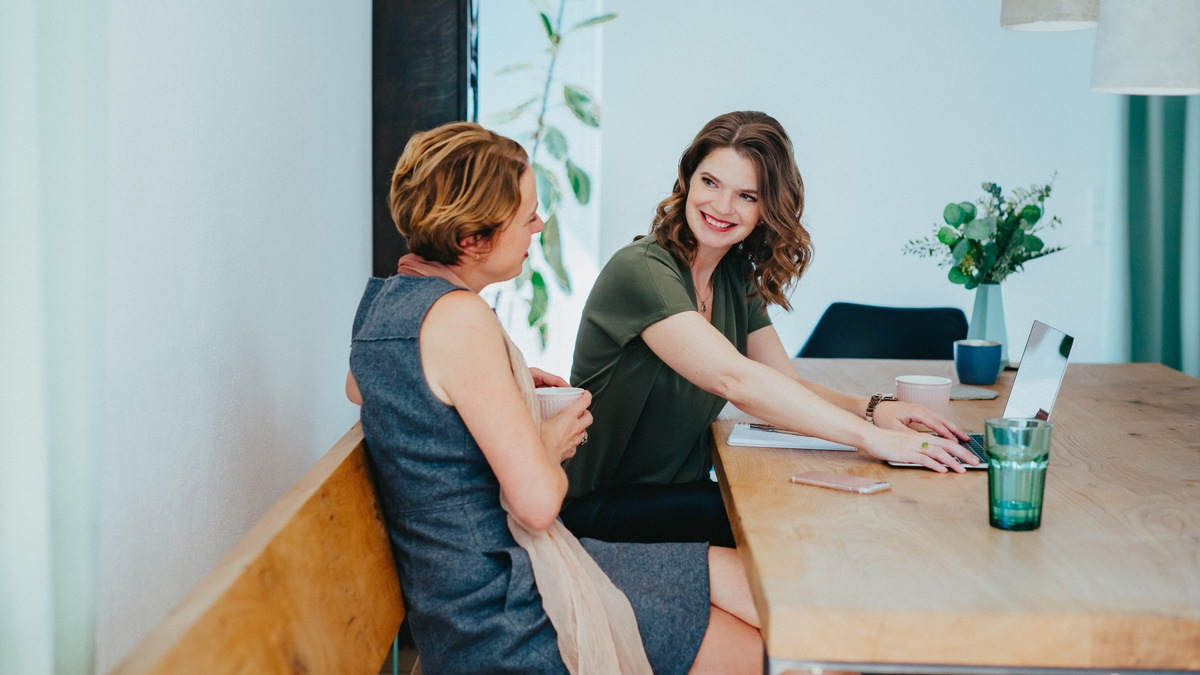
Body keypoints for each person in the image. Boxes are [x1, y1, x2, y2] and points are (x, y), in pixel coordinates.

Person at [346, 122, 762, 674]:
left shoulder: (387, 301)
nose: (538, 226)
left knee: (764, 589)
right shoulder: (460, 319)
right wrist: (547, 438)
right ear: (472, 241)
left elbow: (364, 385)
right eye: (527, 217)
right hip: (502, 605)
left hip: (477, 580)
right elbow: (539, 504)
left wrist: (500, 382)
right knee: (757, 641)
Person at [561, 111, 978, 547]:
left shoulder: (732, 276)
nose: (722, 207)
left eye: (746, 195)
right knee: (781, 519)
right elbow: (736, 380)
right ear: (688, 180)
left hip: (668, 498)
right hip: (598, 507)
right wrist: (873, 440)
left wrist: (872, 408)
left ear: (766, 209)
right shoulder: (642, 270)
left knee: (810, 507)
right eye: (710, 183)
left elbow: (782, 383)